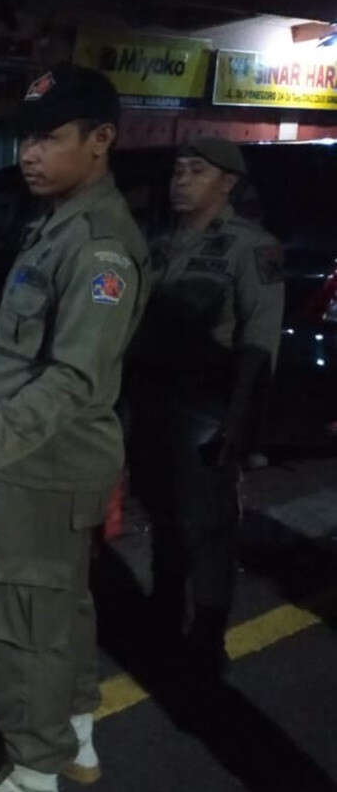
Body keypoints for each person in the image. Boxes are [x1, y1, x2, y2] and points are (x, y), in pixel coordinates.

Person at [0, 65, 149, 792]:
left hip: (43, 460)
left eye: (49, 137)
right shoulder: (56, 220)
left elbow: (76, 379)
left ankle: (30, 782)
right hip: (47, 455)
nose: (29, 153)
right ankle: (75, 733)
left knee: (23, 619)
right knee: (62, 607)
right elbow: (45, 343)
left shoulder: (98, 248)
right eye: (25, 136)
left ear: (100, 140)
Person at [128, 138, 284, 679]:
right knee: (163, 517)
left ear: (228, 183)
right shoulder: (161, 246)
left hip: (205, 410)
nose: (181, 180)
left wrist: (239, 425)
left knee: (207, 529)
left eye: (196, 171)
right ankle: (164, 618)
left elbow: (259, 343)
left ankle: (207, 637)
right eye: (177, 170)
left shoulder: (251, 248)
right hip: (152, 407)